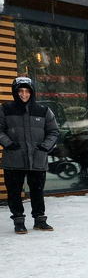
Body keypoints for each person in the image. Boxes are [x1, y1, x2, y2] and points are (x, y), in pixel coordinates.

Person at [0, 76, 59, 234]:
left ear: (32, 92)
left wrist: (45, 147)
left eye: (27, 91)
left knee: (37, 191)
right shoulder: (5, 109)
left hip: (37, 158)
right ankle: (18, 221)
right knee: (14, 192)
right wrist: (9, 144)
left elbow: (53, 131)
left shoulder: (43, 111)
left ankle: (40, 220)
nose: (24, 94)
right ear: (15, 92)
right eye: (20, 91)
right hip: (14, 158)